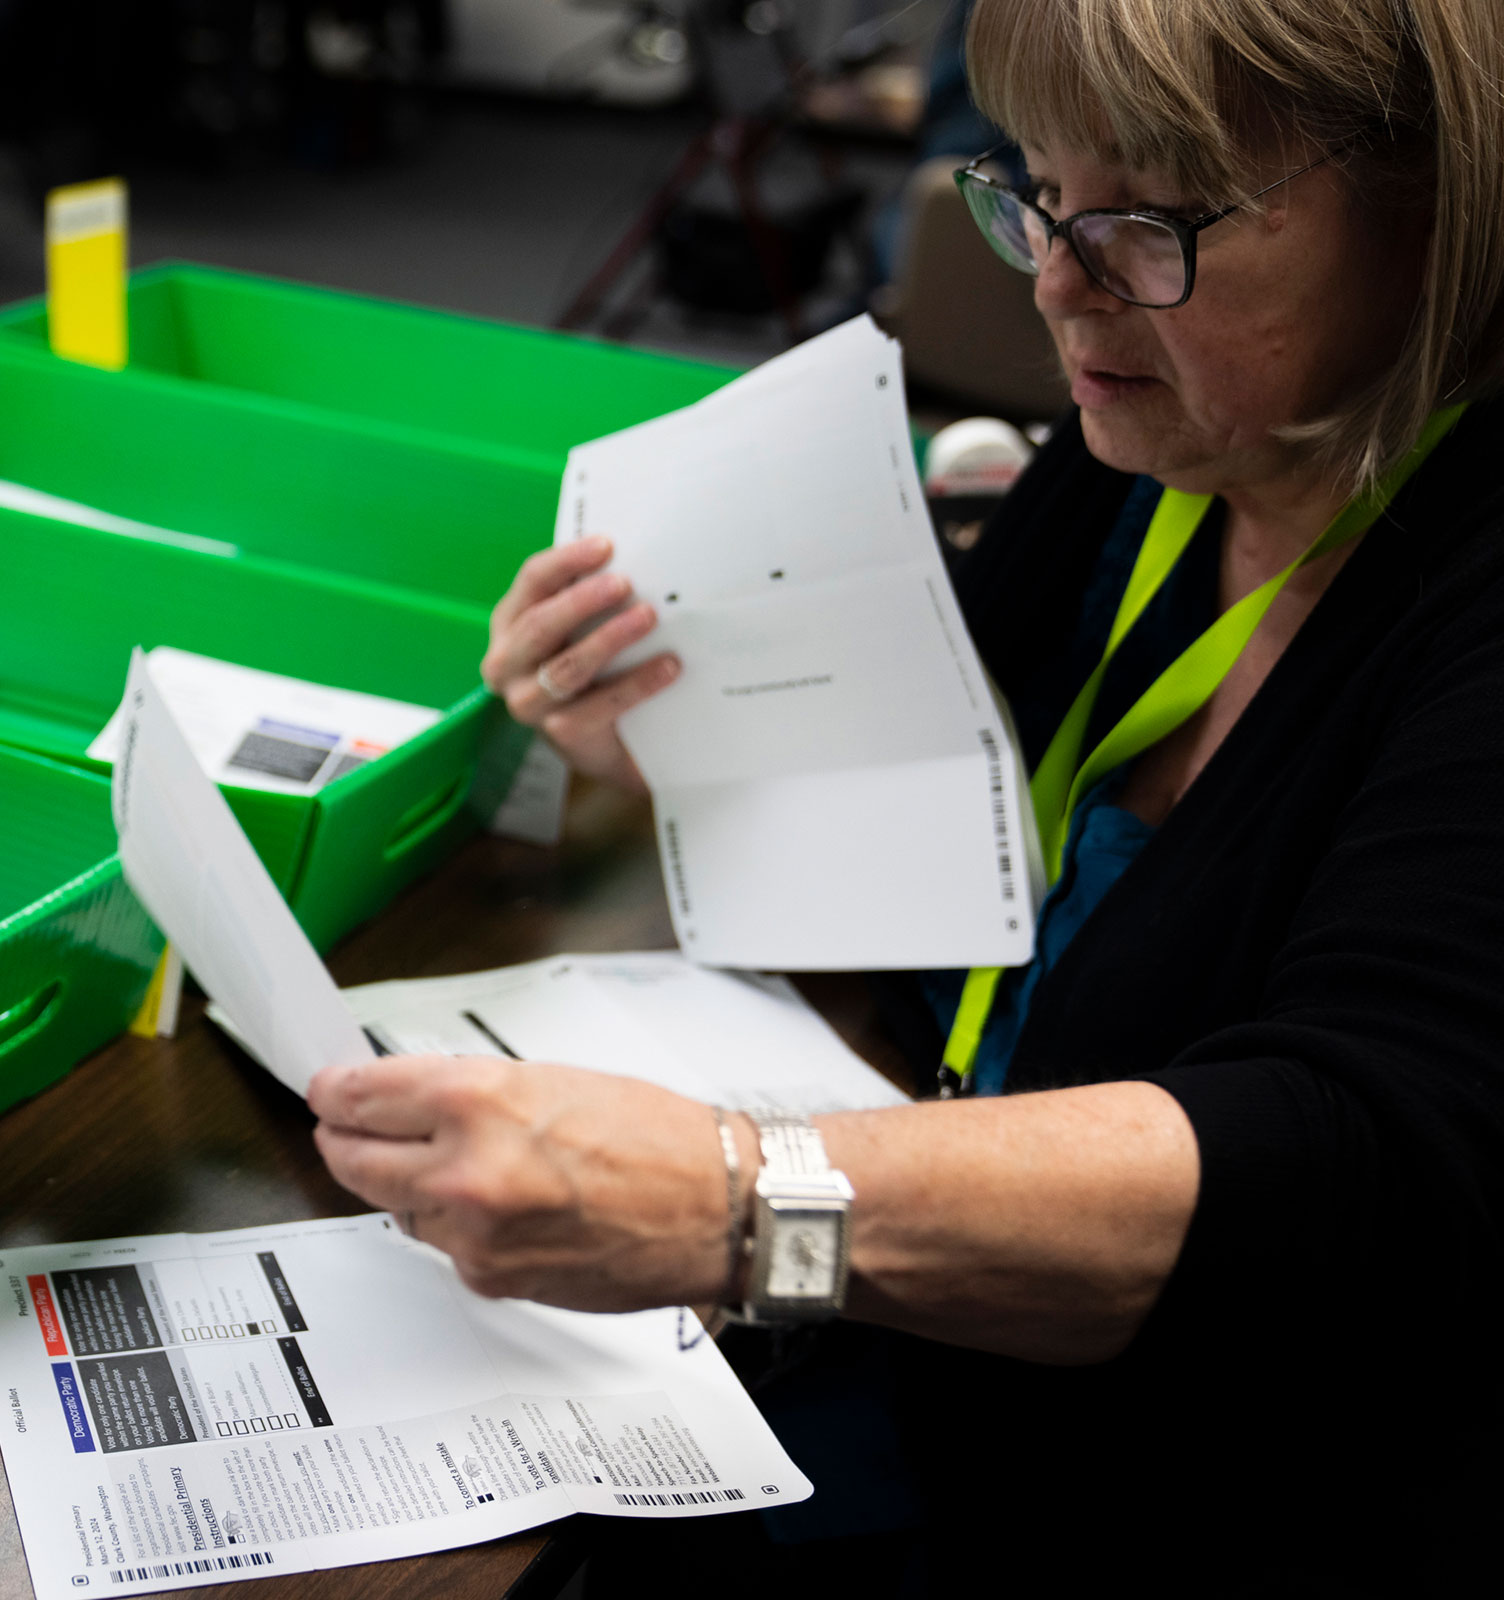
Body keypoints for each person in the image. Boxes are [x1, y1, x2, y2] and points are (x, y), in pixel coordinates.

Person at [309, 0, 1504, 1587]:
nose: (1062, 288)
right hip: (947, 1347)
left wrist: (742, 1206)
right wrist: (674, 742)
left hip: (1217, 1487)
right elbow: (977, 872)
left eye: (1149, 222)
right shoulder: (1160, 447)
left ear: (1445, 203)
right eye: (1036, 196)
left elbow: (1352, 1169)